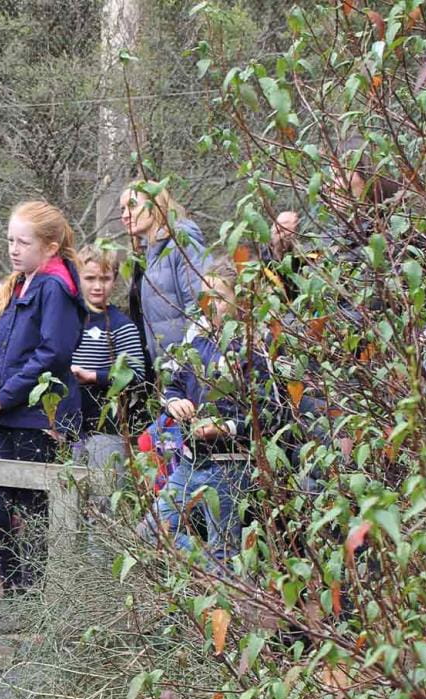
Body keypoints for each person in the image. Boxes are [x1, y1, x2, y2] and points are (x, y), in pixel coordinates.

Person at [0, 201, 87, 618]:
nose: (14, 249)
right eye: (10, 241)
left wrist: (4, 396)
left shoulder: (54, 287)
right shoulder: (19, 283)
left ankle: (32, 601)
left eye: (24, 242)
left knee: (31, 512)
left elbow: (52, 353)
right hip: (6, 413)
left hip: (40, 416)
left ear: (50, 246)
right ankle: (14, 596)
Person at [154, 259, 278, 566]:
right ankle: (210, 568)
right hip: (191, 462)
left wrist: (225, 428)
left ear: (241, 301)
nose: (210, 306)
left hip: (230, 467)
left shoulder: (253, 348)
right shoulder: (196, 340)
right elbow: (173, 386)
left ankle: (225, 596)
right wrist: (173, 403)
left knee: (225, 550)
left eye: (219, 298)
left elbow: (269, 415)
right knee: (155, 529)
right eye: (205, 298)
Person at [70, 244, 147, 474]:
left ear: (114, 280)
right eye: (90, 278)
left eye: (104, 278)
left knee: (104, 494)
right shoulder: (65, 318)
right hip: (67, 426)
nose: (97, 286)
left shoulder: (121, 325)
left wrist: (93, 376)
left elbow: (138, 376)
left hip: (106, 427)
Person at [119, 181, 209, 367]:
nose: (125, 215)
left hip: (192, 369)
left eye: (132, 206)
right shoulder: (146, 256)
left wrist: (182, 366)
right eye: (122, 209)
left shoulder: (182, 246)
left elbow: (201, 312)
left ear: (156, 204)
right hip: (165, 370)